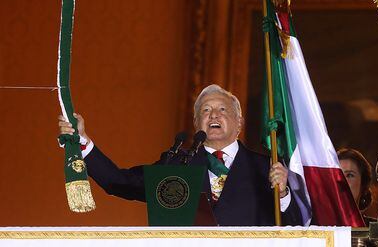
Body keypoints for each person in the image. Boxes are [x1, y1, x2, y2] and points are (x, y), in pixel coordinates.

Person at [58, 84, 302, 226]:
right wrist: (81, 140)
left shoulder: (267, 167)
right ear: (196, 122)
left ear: (239, 122)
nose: (214, 115)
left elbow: (297, 229)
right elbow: (118, 182)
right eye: (206, 110)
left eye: (222, 109)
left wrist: (282, 194)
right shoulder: (177, 162)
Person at [337, 148, 375, 224]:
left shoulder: (377, 230)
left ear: (363, 184)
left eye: (349, 175)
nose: (341, 181)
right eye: (337, 175)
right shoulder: (313, 229)